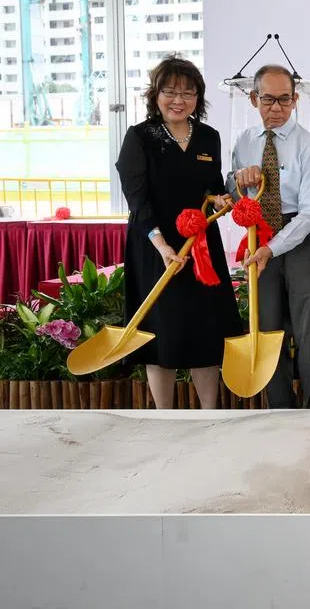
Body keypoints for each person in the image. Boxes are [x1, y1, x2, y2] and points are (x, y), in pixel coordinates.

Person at [115, 55, 241, 409]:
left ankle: (209, 414)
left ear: (198, 98)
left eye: (188, 93)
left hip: (201, 248)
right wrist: (162, 245)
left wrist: (218, 200)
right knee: (161, 333)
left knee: (206, 329)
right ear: (155, 95)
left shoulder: (208, 137)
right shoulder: (140, 137)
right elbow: (137, 199)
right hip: (156, 248)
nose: (178, 100)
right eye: (170, 91)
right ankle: (165, 419)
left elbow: (211, 186)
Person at [228, 64, 310, 409]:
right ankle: (280, 413)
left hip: (302, 239)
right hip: (261, 237)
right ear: (254, 98)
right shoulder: (244, 142)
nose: (276, 108)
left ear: (295, 99)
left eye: (284, 100)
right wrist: (239, 182)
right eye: (268, 99)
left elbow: (309, 213)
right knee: (267, 329)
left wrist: (271, 249)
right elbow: (235, 194)